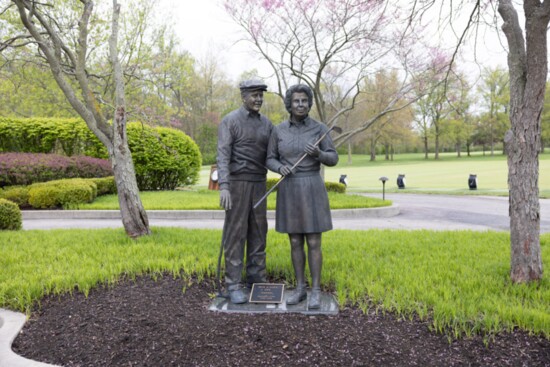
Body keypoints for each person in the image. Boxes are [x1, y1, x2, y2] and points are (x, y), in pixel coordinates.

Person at [266, 84, 338, 309]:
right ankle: (300, 288)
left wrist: (319, 154)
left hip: (312, 187)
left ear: (309, 103)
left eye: (304, 101)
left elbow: (333, 158)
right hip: (289, 188)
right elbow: (269, 158)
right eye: (296, 101)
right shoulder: (278, 131)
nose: (300, 105)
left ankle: (315, 290)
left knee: (314, 241)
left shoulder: (319, 129)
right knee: (295, 240)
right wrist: (280, 168)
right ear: (289, 104)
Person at [216, 79, 273, 304]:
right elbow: (222, 155)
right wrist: (224, 186)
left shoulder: (267, 124)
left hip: (259, 183)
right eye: (254, 95)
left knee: (259, 232)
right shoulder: (230, 121)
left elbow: (273, 154)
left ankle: (256, 278)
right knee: (236, 234)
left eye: (261, 95)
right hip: (237, 184)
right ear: (243, 96)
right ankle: (233, 283)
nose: (258, 99)